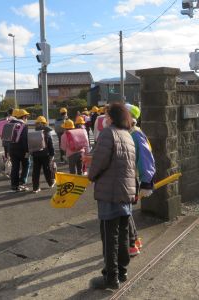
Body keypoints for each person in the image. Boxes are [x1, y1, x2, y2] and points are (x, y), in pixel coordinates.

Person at [85, 103, 136, 290]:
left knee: (109, 236)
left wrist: (91, 176)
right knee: (122, 235)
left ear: (112, 117)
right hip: (126, 192)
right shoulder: (127, 135)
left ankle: (110, 278)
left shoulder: (109, 133)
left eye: (106, 115)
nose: (105, 118)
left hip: (110, 192)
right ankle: (122, 272)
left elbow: (99, 161)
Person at [125, 103, 155, 257]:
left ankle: (131, 245)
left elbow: (145, 158)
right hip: (127, 177)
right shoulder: (128, 132)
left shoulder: (135, 134)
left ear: (130, 117)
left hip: (130, 178)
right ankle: (134, 240)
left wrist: (146, 181)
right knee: (126, 212)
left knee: (124, 212)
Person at [31, 116, 55, 193]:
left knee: (36, 171)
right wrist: (52, 154)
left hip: (35, 154)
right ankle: (50, 183)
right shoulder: (47, 133)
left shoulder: (34, 132)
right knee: (47, 170)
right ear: (45, 124)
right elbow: (50, 145)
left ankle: (35, 188)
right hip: (45, 154)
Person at [9, 109, 30, 191]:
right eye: (26, 116)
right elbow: (25, 139)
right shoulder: (23, 125)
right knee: (26, 165)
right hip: (21, 149)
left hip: (11, 148)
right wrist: (27, 151)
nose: (27, 118)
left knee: (15, 167)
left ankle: (14, 185)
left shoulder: (10, 124)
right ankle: (22, 183)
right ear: (24, 117)